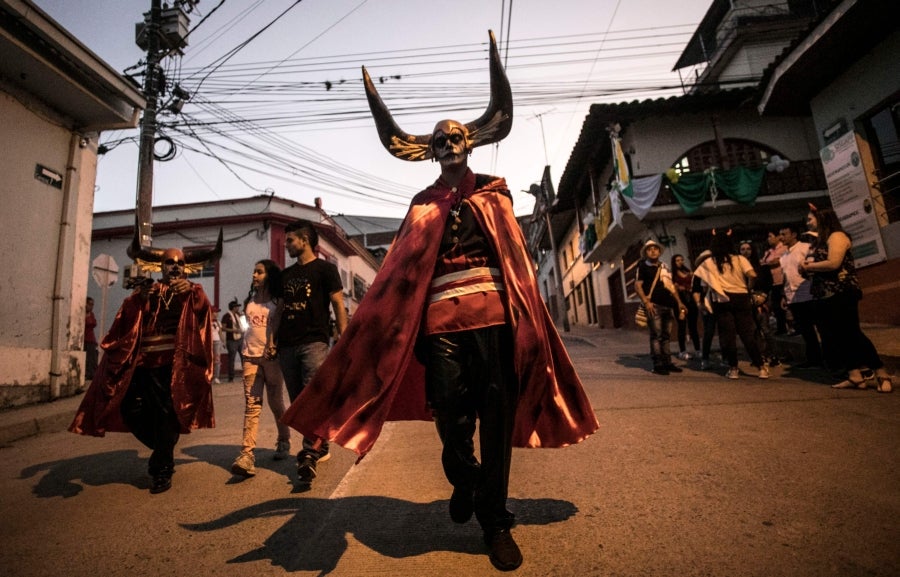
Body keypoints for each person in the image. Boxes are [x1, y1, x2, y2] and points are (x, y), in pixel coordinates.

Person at [281, 31, 598, 572]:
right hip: (439, 325)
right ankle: (466, 478)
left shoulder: (493, 194)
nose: (450, 146)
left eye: (457, 139)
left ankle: (495, 521)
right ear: (430, 152)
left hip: (495, 319)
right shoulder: (421, 205)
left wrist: (530, 326)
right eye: (440, 142)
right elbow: (400, 277)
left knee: (495, 414)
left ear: (469, 145)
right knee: (449, 413)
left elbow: (516, 267)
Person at [69, 235, 221, 494]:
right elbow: (126, 321)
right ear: (160, 267)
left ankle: (162, 469)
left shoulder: (192, 291)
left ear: (185, 268)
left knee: (166, 416)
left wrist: (194, 297)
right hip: (141, 366)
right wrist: (139, 298)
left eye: (179, 263)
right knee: (129, 408)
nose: (175, 267)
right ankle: (164, 448)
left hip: (174, 369)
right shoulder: (147, 291)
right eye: (169, 262)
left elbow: (204, 314)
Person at [277, 219, 348, 484]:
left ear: (304, 240)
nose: (287, 245)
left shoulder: (326, 270)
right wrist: (273, 341)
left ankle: (308, 454)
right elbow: (281, 310)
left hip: (314, 343)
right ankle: (320, 444)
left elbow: (338, 304)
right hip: (286, 344)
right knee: (299, 402)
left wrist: (343, 337)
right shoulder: (285, 276)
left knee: (313, 397)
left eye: (290, 240)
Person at [799, 205, 892, 392]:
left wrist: (809, 267)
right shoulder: (821, 241)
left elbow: (834, 263)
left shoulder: (837, 236)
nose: (808, 222)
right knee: (837, 336)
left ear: (822, 218)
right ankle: (854, 375)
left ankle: (881, 372)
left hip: (842, 293)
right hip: (825, 295)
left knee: (852, 333)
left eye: (810, 219)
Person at [231, 260, 292, 477]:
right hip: (250, 358)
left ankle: (284, 439)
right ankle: (247, 456)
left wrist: (273, 346)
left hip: (272, 360)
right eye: (254, 271)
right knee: (252, 406)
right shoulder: (250, 301)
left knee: (276, 403)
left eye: (259, 272)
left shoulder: (278, 302)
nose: (254, 275)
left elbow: (278, 327)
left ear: (269, 275)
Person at [694, 231, 768, 379]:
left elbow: (703, 285)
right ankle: (761, 368)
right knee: (747, 334)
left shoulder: (709, 262)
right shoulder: (740, 259)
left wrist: (702, 302)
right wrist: (748, 287)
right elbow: (752, 275)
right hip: (741, 298)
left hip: (722, 301)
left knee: (729, 336)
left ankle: (733, 369)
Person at [635, 240, 687, 375]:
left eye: (655, 249)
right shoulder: (642, 267)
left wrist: (679, 302)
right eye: (649, 249)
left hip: (668, 305)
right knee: (656, 336)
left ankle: (667, 362)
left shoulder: (664, 267)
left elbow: (671, 286)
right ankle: (658, 364)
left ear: (659, 252)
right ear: (646, 253)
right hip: (654, 306)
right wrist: (646, 302)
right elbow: (638, 285)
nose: (653, 251)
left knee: (666, 336)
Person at [778, 224, 823, 369]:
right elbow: (786, 277)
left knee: (820, 327)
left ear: (794, 234)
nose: (781, 237)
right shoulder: (783, 256)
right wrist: (784, 296)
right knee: (806, 330)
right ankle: (814, 359)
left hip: (808, 294)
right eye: (780, 234)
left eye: (784, 234)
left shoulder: (805, 247)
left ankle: (829, 358)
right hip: (793, 297)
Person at [739, 240, 779, 367]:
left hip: (761, 300)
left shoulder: (761, 266)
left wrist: (764, 298)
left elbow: (768, 283)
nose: (746, 251)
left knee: (765, 329)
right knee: (753, 330)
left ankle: (773, 356)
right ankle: (759, 356)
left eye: (748, 249)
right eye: (743, 249)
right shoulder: (738, 268)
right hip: (745, 302)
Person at [691, 250, 718, 370]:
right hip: (707, 304)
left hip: (721, 303)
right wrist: (699, 304)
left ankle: (727, 356)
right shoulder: (698, 274)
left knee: (725, 330)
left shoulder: (719, 270)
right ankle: (705, 358)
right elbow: (695, 290)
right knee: (709, 332)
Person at [671, 254, 700, 360]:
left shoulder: (688, 272)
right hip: (680, 302)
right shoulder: (672, 275)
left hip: (691, 301)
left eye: (681, 259)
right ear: (673, 262)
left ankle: (698, 350)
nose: (680, 262)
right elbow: (673, 289)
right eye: (677, 260)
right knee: (682, 327)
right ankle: (682, 351)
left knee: (693, 327)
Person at [761, 230, 788, 334]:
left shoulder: (784, 248)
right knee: (776, 306)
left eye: (770, 236)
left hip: (781, 280)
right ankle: (781, 328)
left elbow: (777, 262)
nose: (769, 239)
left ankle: (788, 327)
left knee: (783, 305)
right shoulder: (769, 251)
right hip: (772, 282)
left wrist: (765, 264)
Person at [221, 300, 244, 381]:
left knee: (243, 357)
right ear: (233, 307)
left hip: (240, 338)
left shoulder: (238, 315)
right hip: (231, 340)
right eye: (237, 306)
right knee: (232, 359)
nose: (238, 308)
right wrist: (233, 330)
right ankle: (231, 377)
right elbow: (223, 328)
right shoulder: (226, 316)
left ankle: (245, 375)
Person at [83, 296, 98, 381]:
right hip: (86, 339)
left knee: (92, 358)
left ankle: (92, 374)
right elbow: (90, 323)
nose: (91, 306)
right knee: (88, 359)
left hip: (91, 339)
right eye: (90, 304)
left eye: (92, 305)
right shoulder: (83, 313)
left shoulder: (91, 314)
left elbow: (94, 323)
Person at [211, 306, 223, 384]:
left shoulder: (218, 322)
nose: (217, 314)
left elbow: (220, 332)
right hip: (210, 342)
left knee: (217, 360)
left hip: (217, 341)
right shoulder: (207, 321)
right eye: (215, 312)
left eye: (217, 312)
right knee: (210, 360)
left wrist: (223, 342)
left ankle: (216, 377)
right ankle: (210, 376)